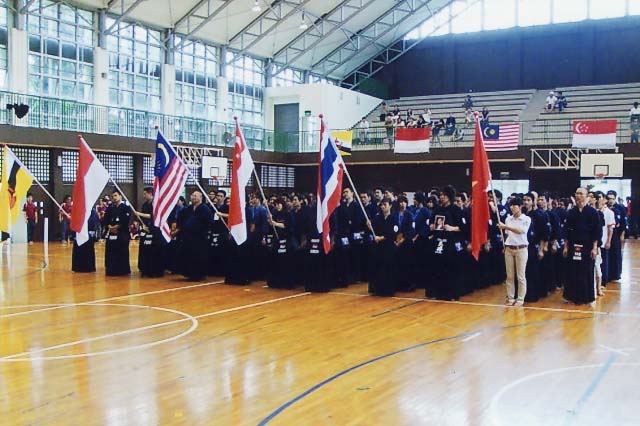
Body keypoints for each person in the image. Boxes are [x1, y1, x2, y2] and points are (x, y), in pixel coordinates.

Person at [563, 187, 600, 305]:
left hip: (587, 246)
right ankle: (572, 296)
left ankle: (586, 297)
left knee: (586, 271)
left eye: (581, 193)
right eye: (577, 193)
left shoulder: (593, 212)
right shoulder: (571, 212)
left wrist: (594, 248)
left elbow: (596, 231)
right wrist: (566, 246)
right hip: (573, 245)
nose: (578, 196)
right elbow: (566, 231)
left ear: (586, 196)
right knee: (572, 271)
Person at [499, 197, 531, 306]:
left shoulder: (526, 219)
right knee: (509, 276)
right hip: (509, 249)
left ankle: (521, 298)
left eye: (514, 205)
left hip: (521, 249)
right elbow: (508, 234)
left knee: (521, 276)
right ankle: (511, 297)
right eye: (511, 205)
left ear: (520, 206)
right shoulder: (508, 219)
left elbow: (521, 231)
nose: (512, 207)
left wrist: (506, 227)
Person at [176, 191, 214, 281]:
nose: (193, 197)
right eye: (192, 195)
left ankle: (199, 275)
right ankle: (190, 274)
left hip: (199, 237)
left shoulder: (204, 208)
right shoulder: (188, 209)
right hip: (188, 236)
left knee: (199, 256)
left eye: (195, 196)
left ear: (201, 197)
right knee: (189, 255)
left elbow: (209, 222)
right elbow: (181, 218)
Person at [369, 198, 399, 296]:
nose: (383, 207)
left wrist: (382, 237)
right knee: (379, 268)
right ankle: (378, 289)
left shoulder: (394, 218)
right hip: (379, 248)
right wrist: (369, 225)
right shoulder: (378, 218)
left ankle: (388, 290)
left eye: (385, 205)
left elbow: (393, 233)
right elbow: (373, 227)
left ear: (390, 205)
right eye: (381, 205)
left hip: (389, 247)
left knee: (388, 268)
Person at [135, 187, 165, 278]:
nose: (144, 195)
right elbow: (144, 218)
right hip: (146, 229)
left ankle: (155, 270)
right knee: (145, 250)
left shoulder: (156, 204)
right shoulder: (145, 205)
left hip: (155, 231)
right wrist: (142, 225)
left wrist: (138, 213)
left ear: (151, 194)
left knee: (154, 251)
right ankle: (145, 269)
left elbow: (153, 216)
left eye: (145, 194)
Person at [102, 190, 132, 276]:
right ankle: (111, 269)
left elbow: (126, 220)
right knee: (111, 252)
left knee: (122, 251)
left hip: (122, 233)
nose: (114, 198)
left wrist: (117, 227)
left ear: (120, 196)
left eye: (115, 196)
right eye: (113, 196)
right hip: (111, 234)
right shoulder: (110, 207)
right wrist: (109, 227)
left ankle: (122, 270)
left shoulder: (125, 207)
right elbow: (106, 219)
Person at [606, 190, 626, 281]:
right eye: (609, 198)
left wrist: (622, 235)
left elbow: (623, 223)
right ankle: (608, 273)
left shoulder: (620, 208)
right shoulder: (605, 208)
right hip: (607, 234)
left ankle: (616, 274)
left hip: (617, 234)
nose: (611, 200)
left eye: (612, 199)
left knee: (616, 254)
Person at [72, 208, 99, 273]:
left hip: (88, 233)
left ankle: (89, 267)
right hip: (79, 232)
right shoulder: (78, 209)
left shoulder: (92, 211)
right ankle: (78, 267)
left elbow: (94, 223)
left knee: (88, 250)